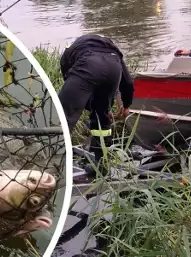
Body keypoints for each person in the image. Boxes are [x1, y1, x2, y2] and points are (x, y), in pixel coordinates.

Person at [58, 33, 135, 176]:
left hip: (88, 63)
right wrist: (127, 105)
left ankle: (56, 165)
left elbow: (71, 84)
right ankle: (101, 165)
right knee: (102, 117)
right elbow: (128, 82)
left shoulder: (71, 51)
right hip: (113, 67)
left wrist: (81, 104)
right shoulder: (114, 51)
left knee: (62, 117)